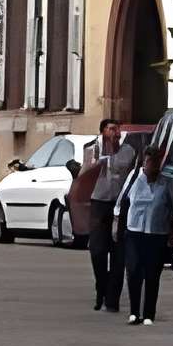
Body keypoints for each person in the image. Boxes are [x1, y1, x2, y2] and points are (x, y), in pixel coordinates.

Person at [70, 118, 129, 313]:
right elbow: (88, 170)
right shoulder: (92, 149)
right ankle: (101, 288)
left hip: (118, 205)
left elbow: (122, 166)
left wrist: (109, 157)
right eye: (112, 129)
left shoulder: (126, 150)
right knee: (97, 251)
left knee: (119, 254)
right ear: (103, 131)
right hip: (97, 204)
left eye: (118, 129)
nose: (116, 132)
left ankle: (112, 299)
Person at [121, 139, 173, 325]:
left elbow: (172, 208)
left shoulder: (165, 183)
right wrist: (115, 224)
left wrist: (171, 233)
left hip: (157, 235)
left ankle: (149, 314)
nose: (152, 165)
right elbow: (121, 201)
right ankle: (134, 312)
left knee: (152, 275)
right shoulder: (134, 178)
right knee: (134, 271)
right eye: (149, 161)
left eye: (156, 161)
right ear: (144, 162)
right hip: (134, 232)